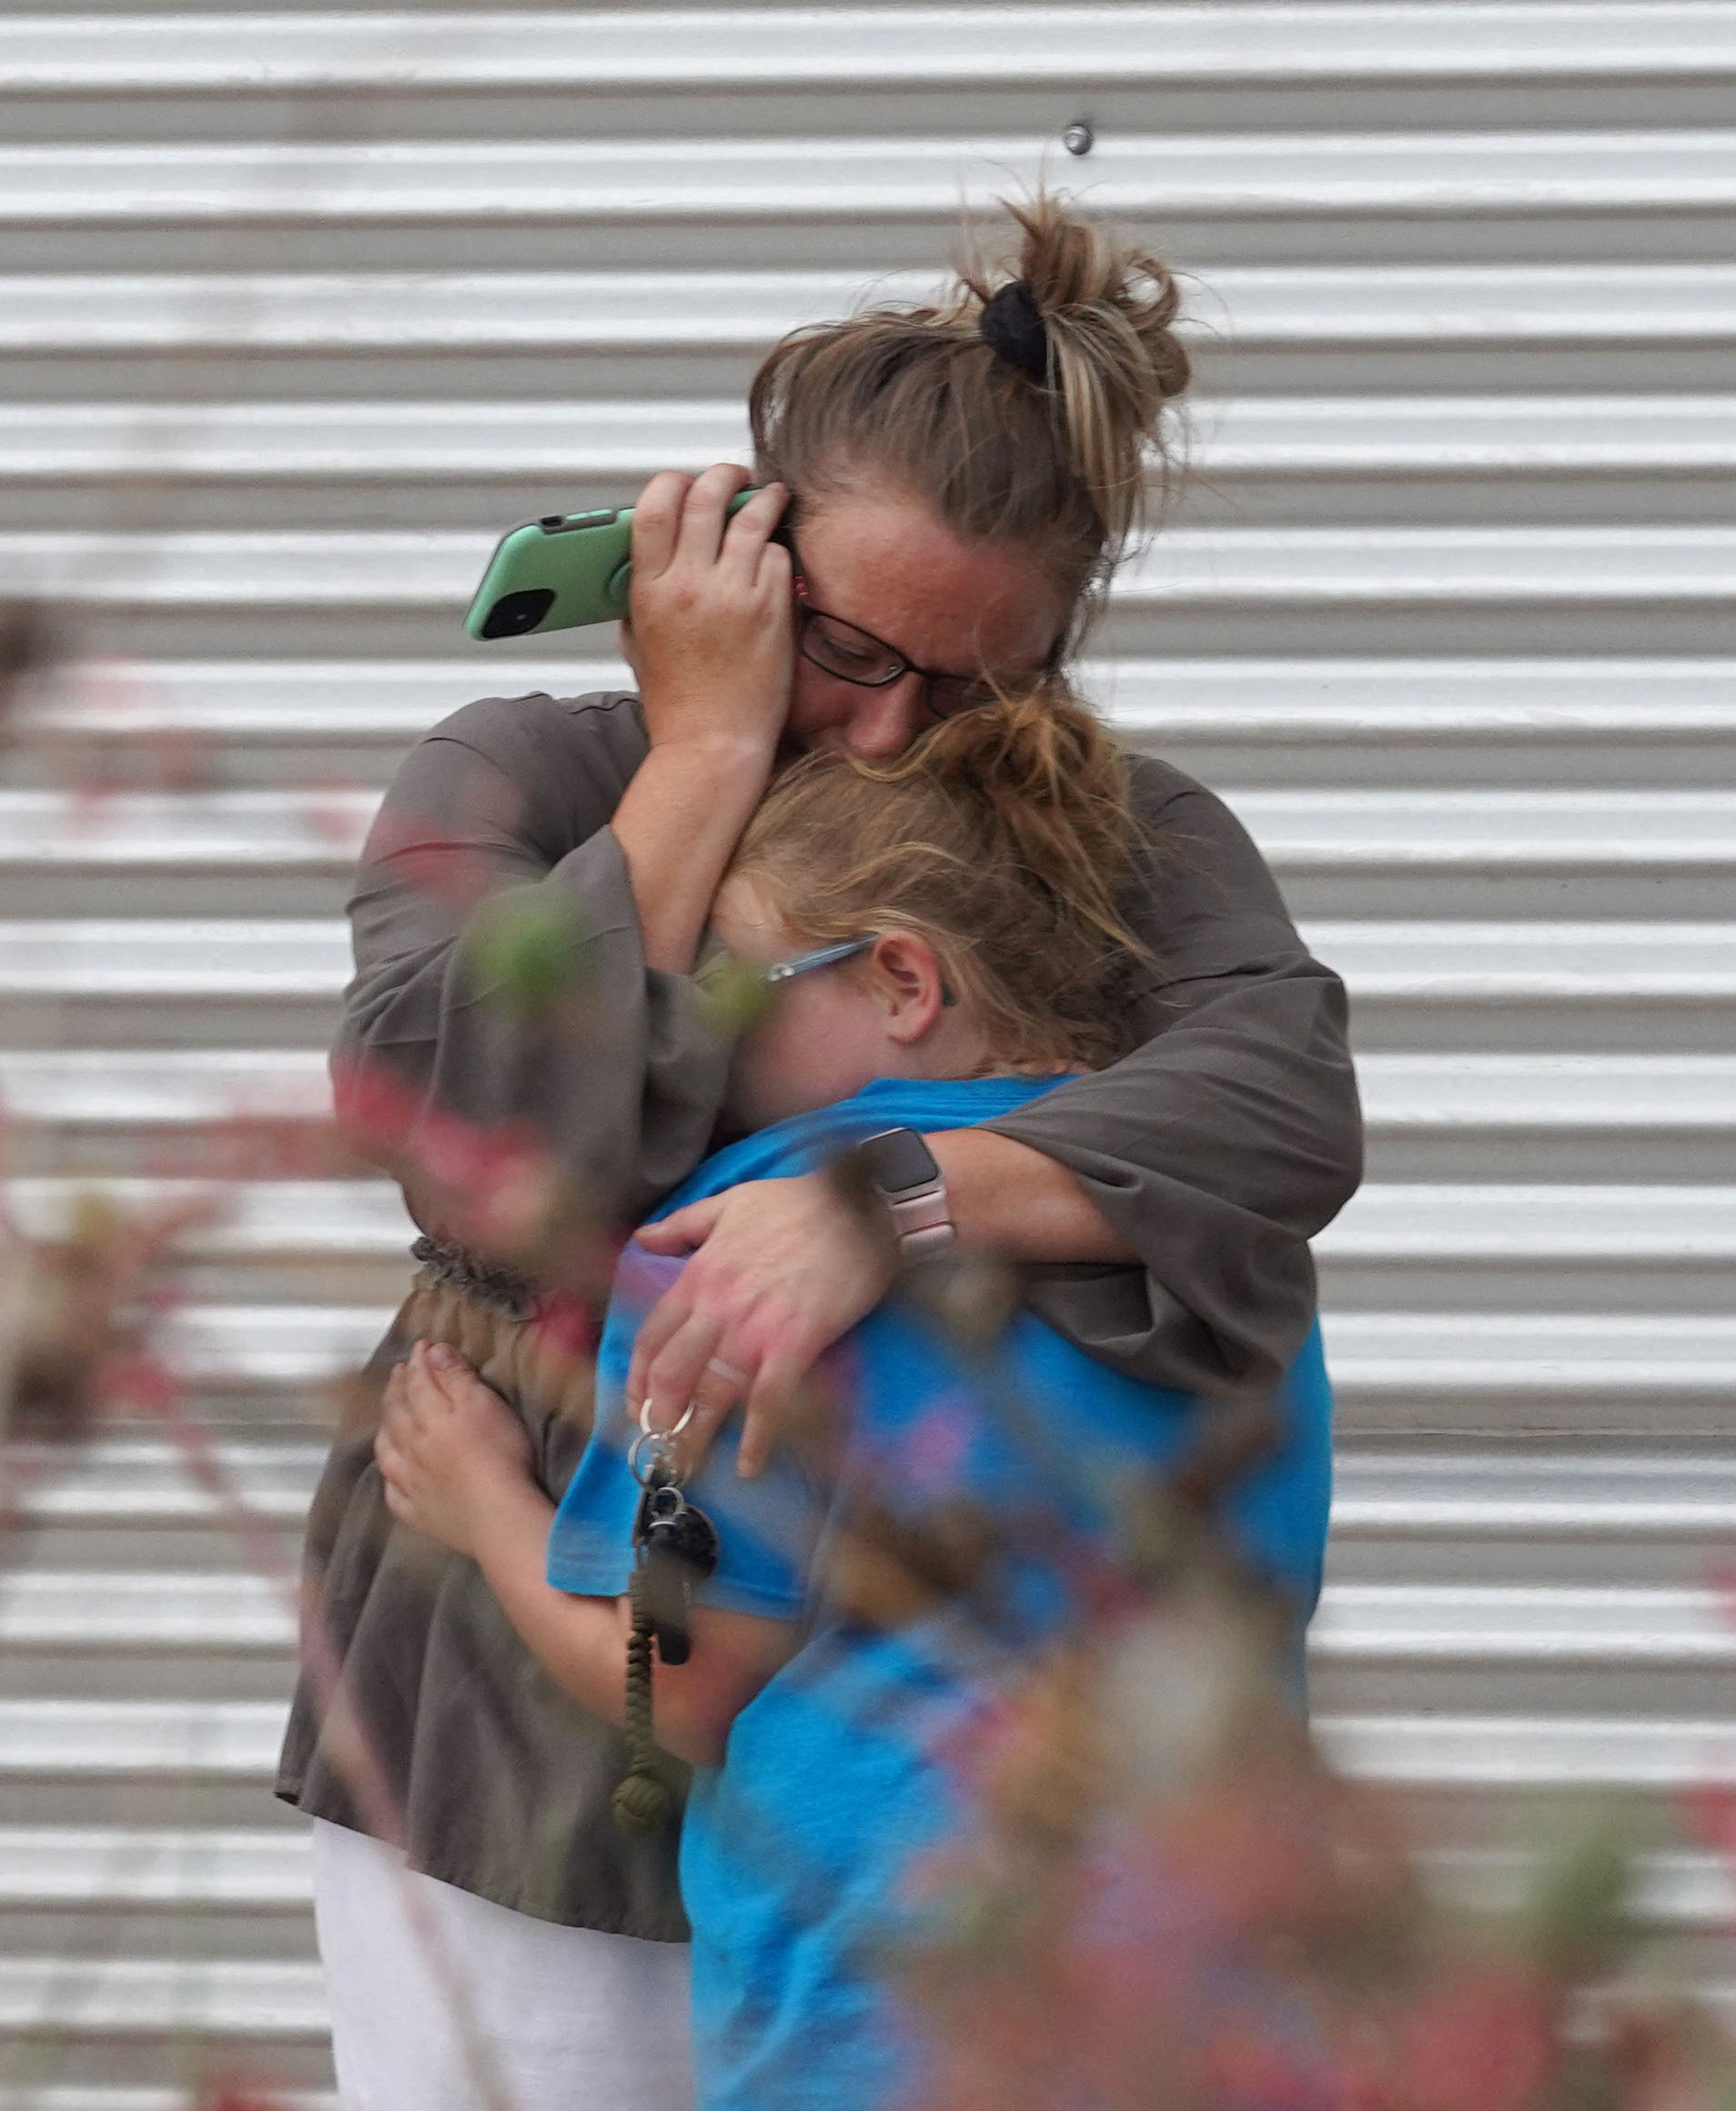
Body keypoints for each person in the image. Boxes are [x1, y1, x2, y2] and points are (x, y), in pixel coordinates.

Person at [279, 192, 1361, 2111]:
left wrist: (892, 1199)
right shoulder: (519, 775)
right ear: (742, 553)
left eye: (975, 685)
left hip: (931, 1791)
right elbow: (462, 1143)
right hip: (536, 1726)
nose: (882, 740)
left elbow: (1278, 1090)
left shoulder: (1111, 837)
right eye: (847, 650)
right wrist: (697, 760)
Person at [372, 698, 1334, 2111]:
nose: (698, 1052)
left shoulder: (743, 1236)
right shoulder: (1220, 1231)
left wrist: (484, 1506)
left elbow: (686, 1687)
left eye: (733, 995)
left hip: (885, 2032)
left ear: (898, 980)